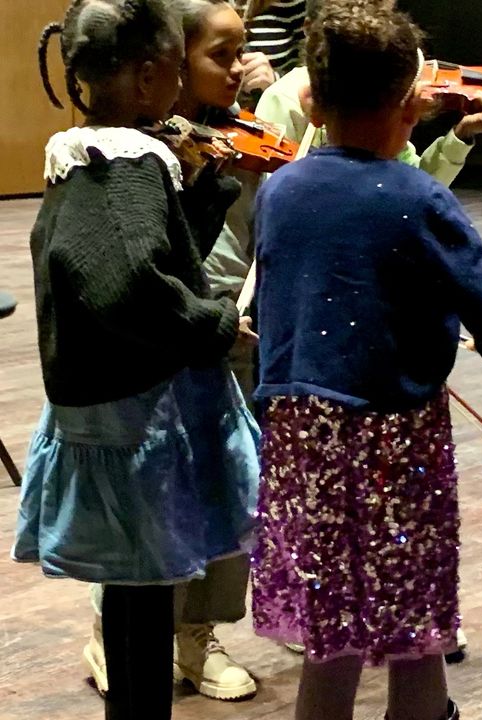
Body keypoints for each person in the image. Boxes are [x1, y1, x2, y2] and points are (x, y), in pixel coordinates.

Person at [248, 1, 482, 718]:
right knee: (414, 610)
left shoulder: (279, 189)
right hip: (393, 440)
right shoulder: (419, 196)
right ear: (412, 105)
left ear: (311, 104)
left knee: (332, 622)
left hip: (304, 440)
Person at [15, 1, 259, 718]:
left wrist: (206, 187)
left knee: (135, 596)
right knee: (145, 601)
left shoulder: (90, 152)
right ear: (150, 77)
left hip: (112, 410)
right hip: (134, 420)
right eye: (180, 69)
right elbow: (126, 284)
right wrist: (215, 324)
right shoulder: (123, 166)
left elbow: (154, 255)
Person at [253, 0, 482, 191]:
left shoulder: (384, 94)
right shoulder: (286, 98)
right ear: (311, 29)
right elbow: (279, 198)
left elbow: (415, 182)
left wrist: (462, 134)